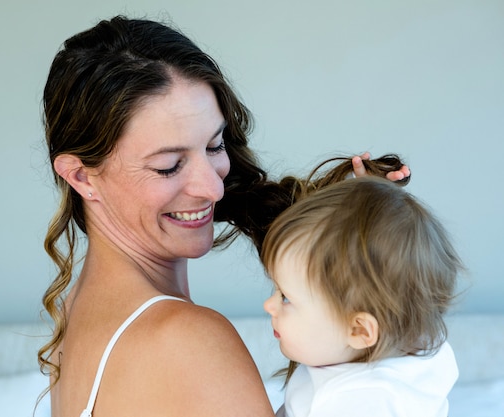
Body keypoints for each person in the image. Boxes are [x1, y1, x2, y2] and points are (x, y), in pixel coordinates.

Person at [38, 15, 410, 417]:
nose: (213, 188)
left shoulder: (78, 310)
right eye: (168, 166)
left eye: (214, 146)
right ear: (81, 176)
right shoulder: (187, 340)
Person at [262, 176, 462, 417]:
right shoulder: (404, 343)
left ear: (359, 331)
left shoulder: (362, 401)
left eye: (286, 298)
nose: (269, 306)